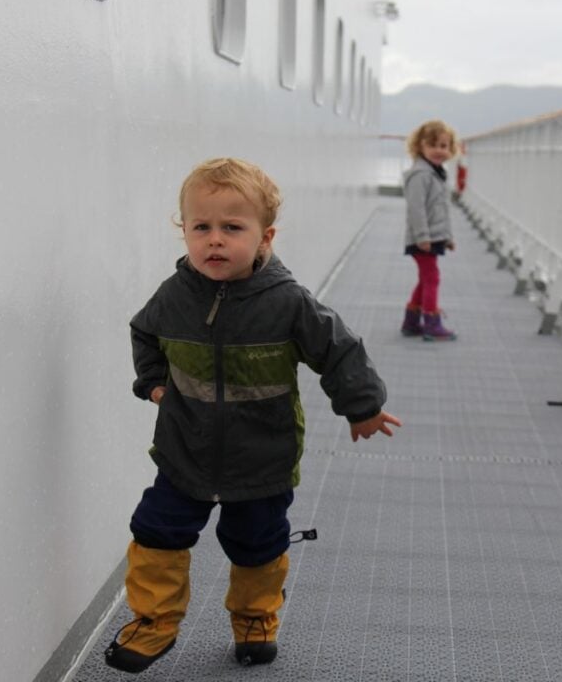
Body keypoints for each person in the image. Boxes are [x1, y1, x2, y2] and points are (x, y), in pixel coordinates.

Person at [104, 157, 401, 673]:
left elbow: (339, 349)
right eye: (201, 228)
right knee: (156, 531)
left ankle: (255, 619)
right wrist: (153, 383)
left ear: (265, 237)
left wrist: (362, 407)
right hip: (183, 452)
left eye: (232, 228)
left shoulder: (287, 302)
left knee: (256, 544)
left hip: (262, 458)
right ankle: (154, 624)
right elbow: (144, 332)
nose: (214, 240)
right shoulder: (175, 296)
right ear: (185, 232)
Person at [400, 120, 459, 341]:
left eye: (444, 146)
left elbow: (443, 210)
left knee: (426, 278)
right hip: (421, 238)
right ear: (420, 146)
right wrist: (423, 237)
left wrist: (448, 238)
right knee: (432, 277)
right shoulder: (421, 175)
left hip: (434, 237)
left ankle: (412, 321)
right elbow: (416, 210)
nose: (439, 150)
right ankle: (431, 323)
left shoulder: (438, 174)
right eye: (433, 145)